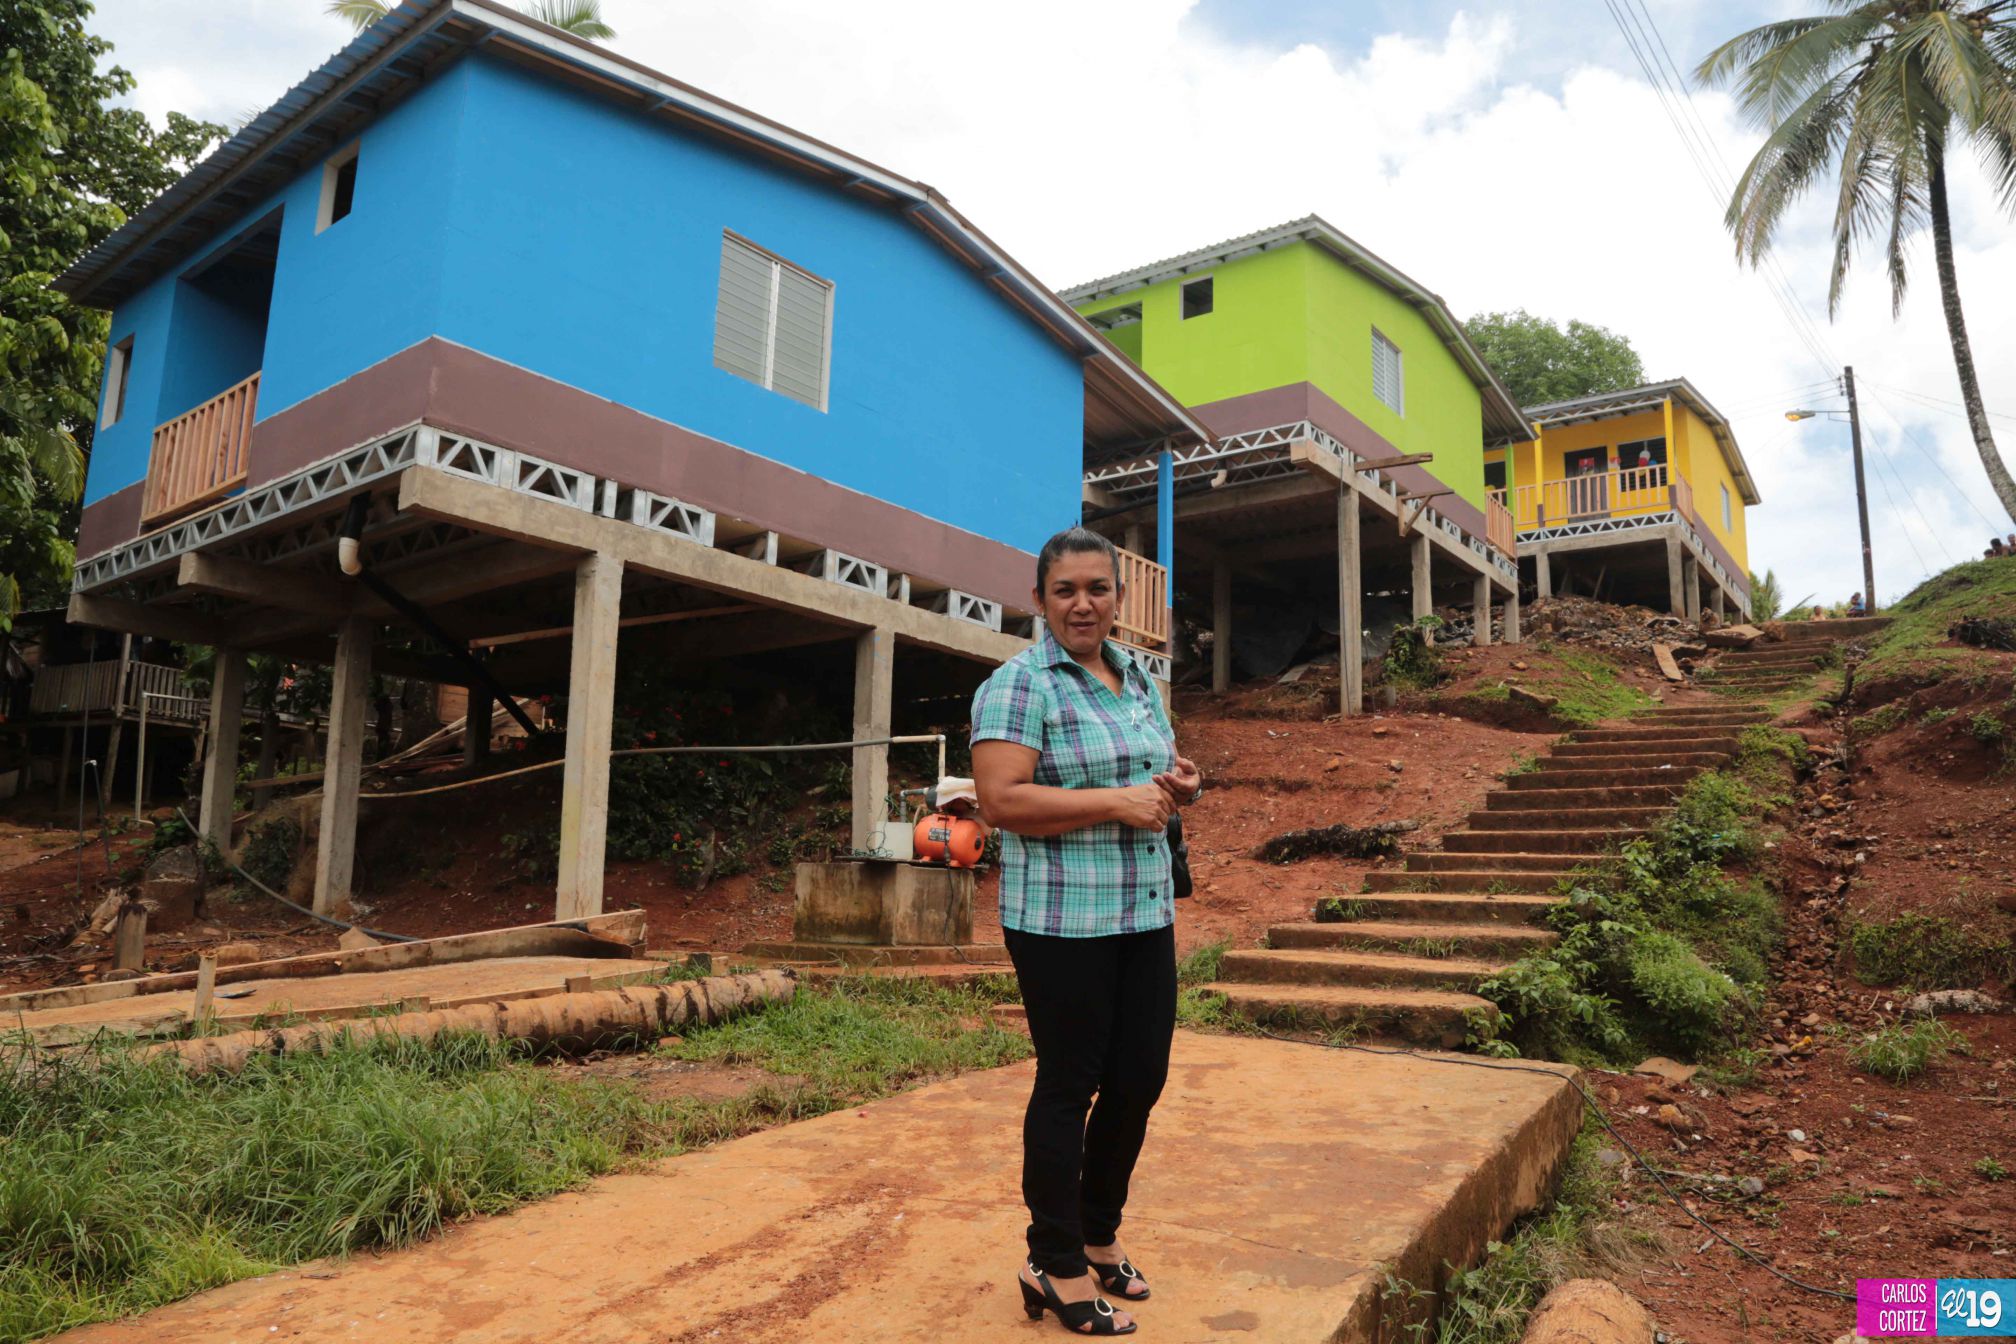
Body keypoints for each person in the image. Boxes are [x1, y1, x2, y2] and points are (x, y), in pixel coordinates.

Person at [971, 526, 1201, 1337]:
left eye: (1098, 588)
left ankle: (1099, 1232)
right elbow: (1001, 802)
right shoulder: (1019, 686)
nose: (1083, 603)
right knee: (1070, 1084)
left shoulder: (1137, 677)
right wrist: (1116, 801)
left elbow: (1153, 773)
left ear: (1119, 598)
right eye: (1065, 590)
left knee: (1140, 1078)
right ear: (1039, 600)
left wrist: (1180, 784)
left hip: (1144, 912)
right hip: (1062, 923)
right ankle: (1054, 1260)